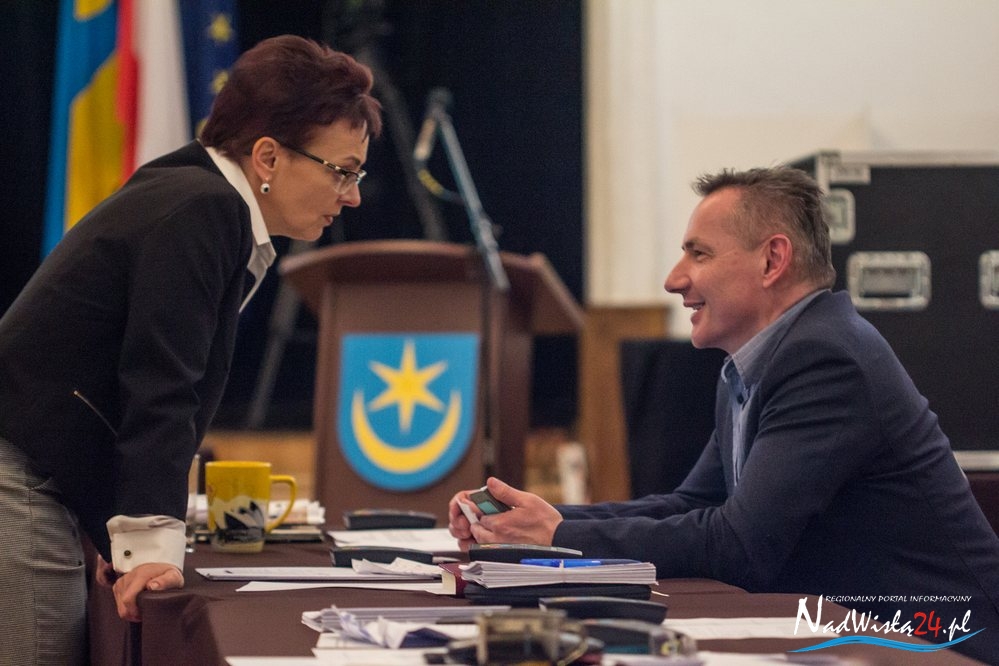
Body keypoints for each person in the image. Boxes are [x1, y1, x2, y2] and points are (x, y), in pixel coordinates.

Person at [449, 166, 999, 662]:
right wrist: (536, 523)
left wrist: (560, 534)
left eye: (700, 254)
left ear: (772, 260)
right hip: (858, 635)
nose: (674, 279)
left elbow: (739, 547)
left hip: (944, 645)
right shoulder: (759, 362)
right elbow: (693, 504)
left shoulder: (826, 359)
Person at [0, 35, 381, 665]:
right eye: (342, 171)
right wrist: (148, 547)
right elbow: (161, 386)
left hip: (36, 466)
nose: (353, 195)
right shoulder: (200, 209)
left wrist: (123, 533)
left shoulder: (198, 194)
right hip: (19, 472)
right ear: (267, 156)